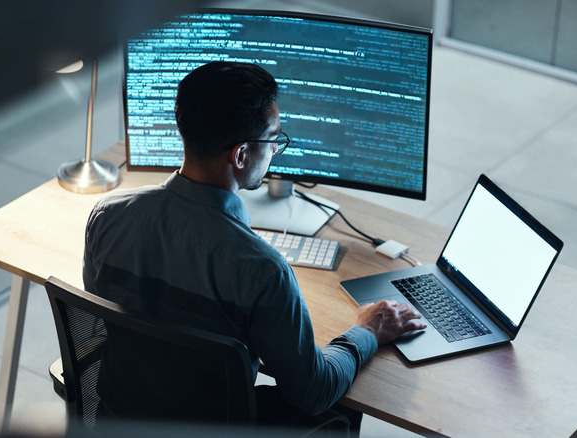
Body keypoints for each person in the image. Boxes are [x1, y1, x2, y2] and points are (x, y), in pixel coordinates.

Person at [83, 61, 426, 430]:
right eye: (274, 139)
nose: (277, 148)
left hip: (117, 421)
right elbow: (313, 391)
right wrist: (368, 330)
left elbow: (105, 317)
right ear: (242, 155)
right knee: (341, 402)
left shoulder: (106, 215)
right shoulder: (263, 270)